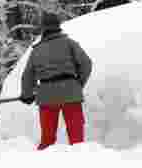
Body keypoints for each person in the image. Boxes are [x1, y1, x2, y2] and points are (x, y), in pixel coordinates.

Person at [19, 11, 93, 149]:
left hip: (47, 96)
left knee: (47, 139)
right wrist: (77, 84)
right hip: (71, 93)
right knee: (76, 137)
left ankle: (43, 165)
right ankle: (81, 163)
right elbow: (86, 64)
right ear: (58, 25)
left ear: (43, 28)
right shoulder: (70, 44)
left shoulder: (37, 50)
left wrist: (27, 95)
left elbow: (28, 75)